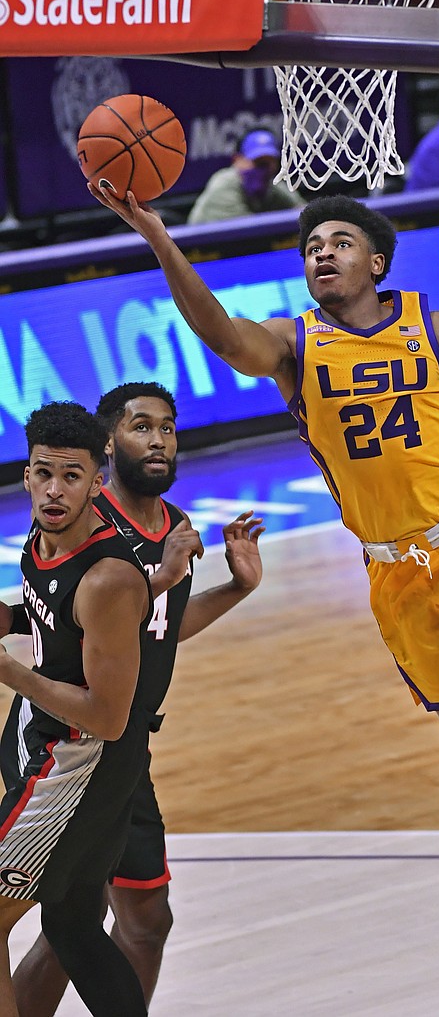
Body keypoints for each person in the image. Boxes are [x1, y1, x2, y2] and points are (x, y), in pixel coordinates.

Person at [88, 183, 439, 959]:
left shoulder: (432, 326)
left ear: (375, 261)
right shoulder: (296, 347)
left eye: (340, 242)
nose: (323, 251)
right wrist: (158, 235)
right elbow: (222, 335)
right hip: (394, 574)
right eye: (313, 246)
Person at [5, 382, 264, 1017]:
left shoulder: (156, 542)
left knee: (131, 918)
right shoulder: (64, 532)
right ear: (109, 447)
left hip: (100, 746)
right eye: (141, 426)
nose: (158, 440)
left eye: (167, 428)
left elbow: (142, 641)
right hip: (61, 741)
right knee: (73, 917)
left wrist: (229, 588)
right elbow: (75, 618)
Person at [0, 401, 153, 1017]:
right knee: (73, 926)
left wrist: (9, 671)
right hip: (50, 745)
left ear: (98, 478)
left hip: (76, 762)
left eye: (72, 476)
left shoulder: (108, 577)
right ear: (26, 473)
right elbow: (53, 627)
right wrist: (9, 621)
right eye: (44, 473)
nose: (55, 490)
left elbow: (108, 717)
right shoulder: (44, 538)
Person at [187, 128, 304, 225]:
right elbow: (250, 232)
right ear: (237, 160)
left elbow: (303, 213)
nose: (263, 170)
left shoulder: (272, 185)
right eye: (258, 163)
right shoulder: (224, 185)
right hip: (202, 250)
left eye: (268, 163)